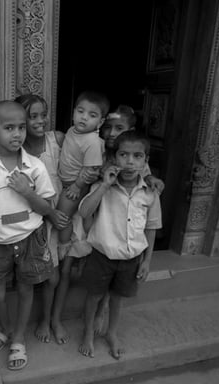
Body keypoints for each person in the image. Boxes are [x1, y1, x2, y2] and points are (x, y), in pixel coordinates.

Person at [0, 100, 56, 370]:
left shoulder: (35, 167)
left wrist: (27, 191)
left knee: (25, 289)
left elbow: (47, 209)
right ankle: (6, 330)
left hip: (29, 238)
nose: (17, 134)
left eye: (21, 127)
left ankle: (18, 338)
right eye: (9, 128)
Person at [76, 130, 161, 360]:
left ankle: (112, 333)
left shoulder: (150, 193)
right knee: (93, 296)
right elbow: (84, 211)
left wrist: (147, 261)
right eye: (124, 155)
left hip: (131, 259)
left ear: (146, 162)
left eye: (137, 156)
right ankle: (88, 334)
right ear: (114, 158)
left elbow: (151, 227)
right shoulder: (103, 187)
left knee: (117, 299)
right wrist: (104, 185)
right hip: (101, 256)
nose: (130, 162)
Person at [91, 105, 165, 336]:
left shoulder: (133, 155)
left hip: (126, 228)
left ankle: (104, 310)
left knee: (114, 290)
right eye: (108, 128)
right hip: (99, 214)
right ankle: (98, 306)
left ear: (130, 130)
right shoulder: (95, 147)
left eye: (119, 128)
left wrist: (151, 177)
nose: (112, 133)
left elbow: (144, 174)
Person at [14, 94, 70, 345]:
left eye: (43, 114)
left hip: (62, 214)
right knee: (42, 275)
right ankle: (38, 321)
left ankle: (48, 319)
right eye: (32, 116)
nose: (40, 121)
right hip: (37, 218)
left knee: (57, 275)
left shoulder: (57, 139)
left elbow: (90, 158)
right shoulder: (16, 149)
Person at [56, 91, 108, 260]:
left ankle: (64, 244)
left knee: (62, 215)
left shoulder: (92, 142)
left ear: (100, 122)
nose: (84, 118)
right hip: (64, 181)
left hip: (74, 185)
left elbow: (91, 169)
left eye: (91, 115)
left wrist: (77, 186)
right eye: (80, 111)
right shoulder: (72, 130)